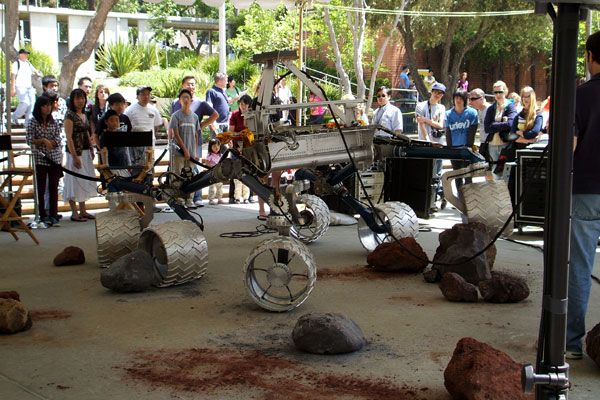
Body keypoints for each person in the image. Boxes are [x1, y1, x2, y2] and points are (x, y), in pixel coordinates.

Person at [567, 30, 600, 361]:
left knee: (579, 266)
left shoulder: (582, 95)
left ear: (590, 57)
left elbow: (569, 146)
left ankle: (572, 343)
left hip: (587, 190)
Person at [172, 75, 218, 207]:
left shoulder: (200, 103)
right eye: (188, 84)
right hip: (178, 143)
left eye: (193, 84)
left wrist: (202, 125)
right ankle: (179, 198)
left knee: (194, 170)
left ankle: (195, 197)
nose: (191, 86)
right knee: (179, 172)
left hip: (194, 143)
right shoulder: (175, 103)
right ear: (182, 85)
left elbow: (215, 115)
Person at [26, 95, 63, 227]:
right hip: (40, 158)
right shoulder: (33, 121)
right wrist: (42, 141)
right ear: (39, 107)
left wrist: (52, 142)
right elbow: (29, 140)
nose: (47, 108)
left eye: (49, 105)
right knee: (40, 188)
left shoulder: (54, 121)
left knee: (53, 187)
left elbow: (59, 138)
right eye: (44, 105)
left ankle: (53, 213)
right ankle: (41, 214)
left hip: (54, 158)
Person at [63, 88, 97, 222]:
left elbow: (87, 132)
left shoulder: (84, 114)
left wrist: (91, 147)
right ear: (72, 100)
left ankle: (83, 210)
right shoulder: (69, 115)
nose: (80, 101)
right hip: (74, 152)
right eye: (77, 98)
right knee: (73, 180)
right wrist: (74, 156)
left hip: (85, 150)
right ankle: (74, 212)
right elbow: (69, 137)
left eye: (82, 98)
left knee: (83, 179)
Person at [415, 82, 447, 210]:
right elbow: (420, 122)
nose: (437, 95)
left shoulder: (441, 107)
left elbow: (440, 125)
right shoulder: (421, 105)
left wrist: (426, 120)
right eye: (435, 92)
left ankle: (436, 199)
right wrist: (428, 140)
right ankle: (430, 199)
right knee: (425, 171)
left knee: (437, 172)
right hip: (425, 143)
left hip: (438, 142)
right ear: (431, 91)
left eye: (440, 93)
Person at [169, 89, 201, 209]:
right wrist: (185, 150)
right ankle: (179, 198)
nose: (186, 100)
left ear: (191, 100)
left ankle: (189, 199)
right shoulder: (175, 116)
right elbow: (176, 135)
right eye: (183, 98)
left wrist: (196, 152)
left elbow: (196, 134)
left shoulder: (195, 117)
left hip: (192, 153)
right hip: (178, 152)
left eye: (188, 97)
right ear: (180, 100)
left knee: (191, 176)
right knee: (178, 175)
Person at [445, 90, 478, 191]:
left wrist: (469, 147)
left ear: (464, 100)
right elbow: (448, 132)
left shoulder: (472, 113)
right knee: (457, 176)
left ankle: (469, 201)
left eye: (460, 98)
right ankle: (460, 200)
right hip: (454, 149)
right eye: (456, 98)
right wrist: (450, 149)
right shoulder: (448, 114)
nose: (458, 100)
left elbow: (472, 131)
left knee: (468, 176)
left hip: (466, 149)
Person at [483, 80, 517, 179]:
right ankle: (497, 194)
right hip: (492, 145)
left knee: (504, 173)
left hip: (505, 145)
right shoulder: (491, 108)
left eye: (500, 92)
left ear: (505, 92)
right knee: (495, 172)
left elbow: (510, 124)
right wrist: (502, 123)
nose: (498, 95)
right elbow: (487, 128)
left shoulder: (510, 106)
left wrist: (494, 124)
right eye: (495, 92)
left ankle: (504, 194)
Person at [124, 86, 164, 169]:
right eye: (143, 94)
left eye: (148, 94)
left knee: (149, 167)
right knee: (136, 167)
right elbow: (125, 126)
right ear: (137, 96)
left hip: (150, 144)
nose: (146, 97)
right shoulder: (129, 110)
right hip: (135, 144)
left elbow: (157, 125)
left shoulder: (153, 109)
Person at [228, 94, 253, 204]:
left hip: (249, 146)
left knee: (250, 170)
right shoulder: (235, 114)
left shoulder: (252, 114)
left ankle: (250, 195)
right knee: (235, 170)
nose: (242, 106)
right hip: (236, 144)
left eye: (245, 104)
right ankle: (233, 196)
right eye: (241, 104)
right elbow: (231, 131)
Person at [11, 49, 40, 125]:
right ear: (20, 55)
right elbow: (13, 76)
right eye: (25, 54)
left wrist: (38, 73)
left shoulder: (28, 63)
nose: (26, 55)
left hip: (29, 87)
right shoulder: (16, 64)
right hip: (20, 86)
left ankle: (28, 123)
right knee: (25, 103)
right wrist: (12, 88)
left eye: (27, 54)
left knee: (32, 104)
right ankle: (14, 117)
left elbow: (35, 71)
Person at [102, 109, 133, 178]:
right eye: (112, 120)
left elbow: (126, 150)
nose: (115, 123)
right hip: (112, 167)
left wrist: (129, 164)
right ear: (106, 122)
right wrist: (106, 166)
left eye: (117, 120)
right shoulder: (105, 135)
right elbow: (104, 151)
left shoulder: (121, 134)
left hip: (124, 165)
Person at [468, 88, 491, 160]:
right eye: (469, 99)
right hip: (483, 143)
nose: (470, 102)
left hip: (490, 144)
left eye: (472, 99)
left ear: (482, 98)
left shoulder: (489, 109)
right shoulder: (479, 111)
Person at [203, 139, 224, 205]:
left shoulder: (221, 155)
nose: (216, 147)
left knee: (220, 186)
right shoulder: (210, 155)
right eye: (214, 146)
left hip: (219, 173)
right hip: (212, 173)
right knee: (212, 186)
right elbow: (207, 163)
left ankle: (219, 198)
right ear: (210, 147)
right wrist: (210, 167)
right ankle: (211, 199)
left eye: (218, 145)